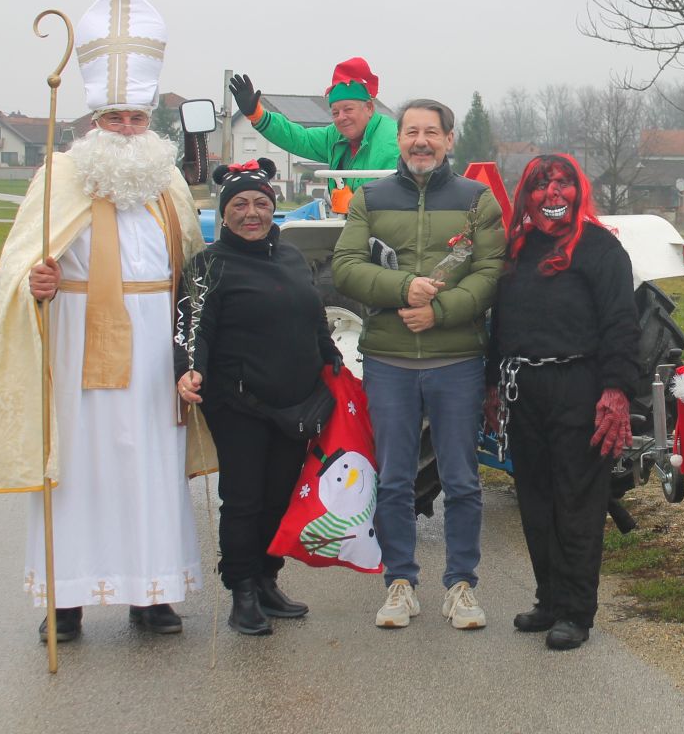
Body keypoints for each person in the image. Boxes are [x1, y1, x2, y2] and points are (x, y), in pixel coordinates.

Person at [0, 0, 215, 643]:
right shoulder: (59, 177)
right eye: (115, 118)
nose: (127, 129)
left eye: (136, 117)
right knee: (78, 471)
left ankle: (152, 594)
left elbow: (192, 269)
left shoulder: (167, 180)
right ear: (93, 120)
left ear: (149, 120)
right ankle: (66, 601)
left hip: (155, 352)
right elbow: (22, 266)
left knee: (151, 467)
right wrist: (39, 282)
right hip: (78, 343)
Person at [331, 98, 504, 631]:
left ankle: (461, 586)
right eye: (411, 132)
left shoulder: (477, 201)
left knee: (462, 479)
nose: (421, 141)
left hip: (457, 359)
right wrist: (404, 286)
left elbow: (491, 271)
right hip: (389, 359)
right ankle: (400, 583)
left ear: (450, 140)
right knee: (394, 480)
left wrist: (440, 311)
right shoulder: (370, 198)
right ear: (399, 139)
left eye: (432, 132)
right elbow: (345, 266)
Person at [175, 158, 342, 636]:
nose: (252, 213)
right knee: (244, 500)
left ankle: (268, 580)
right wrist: (190, 369)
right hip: (239, 404)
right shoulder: (207, 266)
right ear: (224, 212)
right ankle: (242, 591)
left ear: (274, 208)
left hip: (296, 403)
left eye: (261, 204)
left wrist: (329, 352)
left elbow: (313, 313)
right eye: (240, 205)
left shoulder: (290, 256)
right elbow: (193, 328)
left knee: (279, 497)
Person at [483, 154, 639, 651]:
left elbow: (621, 324)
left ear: (579, 190)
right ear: (526, 197)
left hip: (580, 388)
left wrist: (615, 392)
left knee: (577, 503)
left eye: (563, 183)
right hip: (522, 390)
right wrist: (492, 384)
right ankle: (549, 599)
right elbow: (500, 323)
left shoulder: (601, 249)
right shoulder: (518, 248)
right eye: (540, 185)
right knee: (535, 499)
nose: (552, 193)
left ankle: (576, 611)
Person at [227, 57, 397, 209]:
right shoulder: (335, 136)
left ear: (369, 108)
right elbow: (300, 138)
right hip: (351, 224)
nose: (341, 117)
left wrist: (353, 204)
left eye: (348, 109)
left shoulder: (392, 141)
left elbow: (396, 196)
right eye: (335, 112)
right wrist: (257, 115)